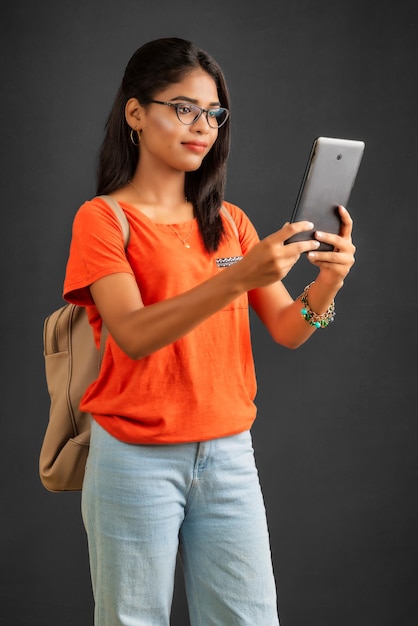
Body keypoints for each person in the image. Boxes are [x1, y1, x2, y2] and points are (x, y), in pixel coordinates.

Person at [63, 37, 355, 626]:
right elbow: (134, 334)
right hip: (135, 457)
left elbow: (286, 329)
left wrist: (328, 281)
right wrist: (235, 279)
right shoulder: (103, 219)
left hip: (227, 454)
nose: (203, 127)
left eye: (214, 114)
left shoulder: (230, 223)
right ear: (136, 113)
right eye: (184, 108)